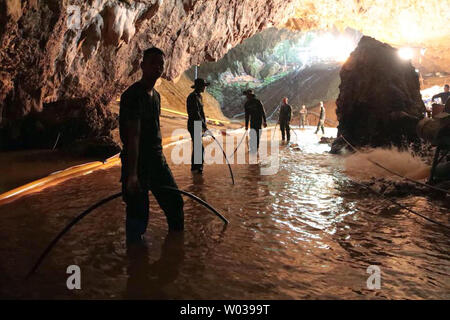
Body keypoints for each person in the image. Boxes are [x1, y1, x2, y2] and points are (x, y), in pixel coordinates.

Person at [119, 47, 184, 246]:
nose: (157, 67)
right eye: (153, 63)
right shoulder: (132, 95)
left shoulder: (155, 96)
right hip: (138, 162)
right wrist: (131, 175)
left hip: (157, 160)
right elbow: (133, 136)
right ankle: (136, 266)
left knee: (175, 203)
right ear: (142, 66)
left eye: (161, 64)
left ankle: (175, 253)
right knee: (138, 217)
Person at [187, 78, 209, 174]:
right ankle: (197, 168)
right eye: (203, 85)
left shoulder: (199, 97)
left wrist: (204, 125)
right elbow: (195, 113)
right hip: (194, 124)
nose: (205, 87)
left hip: (199, 125)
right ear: (199, 86)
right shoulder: (192, 97)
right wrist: (203, 125)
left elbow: (202, 112)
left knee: (198, 147)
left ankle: (196, 168)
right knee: (199, 147)